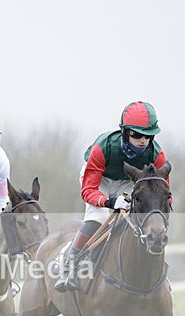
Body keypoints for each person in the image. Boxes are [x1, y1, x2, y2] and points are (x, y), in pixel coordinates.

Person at [54, 101, 170, 292]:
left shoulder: (157, 155)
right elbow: (88, 190)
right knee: (99, 217)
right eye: (137, 135)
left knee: (136, 223)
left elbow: (164, 193)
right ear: (125, 132)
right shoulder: (103, 148)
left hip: (129, 180)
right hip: (98, 178)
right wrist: (108, 201)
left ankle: (155, 274)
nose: (143, 141)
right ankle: (70, 262)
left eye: (149, 136)